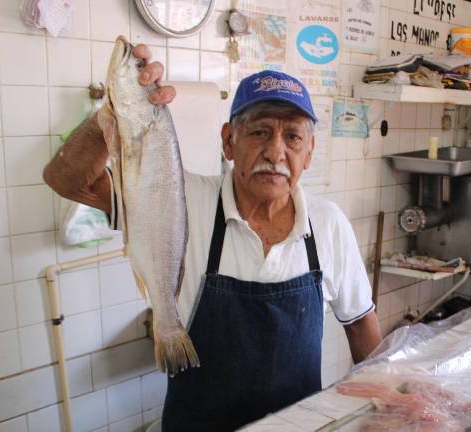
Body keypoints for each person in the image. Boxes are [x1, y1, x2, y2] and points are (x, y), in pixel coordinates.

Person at [43, 44, 381, 431]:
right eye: (258, 132)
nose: (276, 151)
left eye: (292, 137)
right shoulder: (178, 198)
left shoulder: (329, 224)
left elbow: (359, 324)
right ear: (228, 142)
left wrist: (382, 401)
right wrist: (111, 115)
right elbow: (65, 179)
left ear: (309, 153)